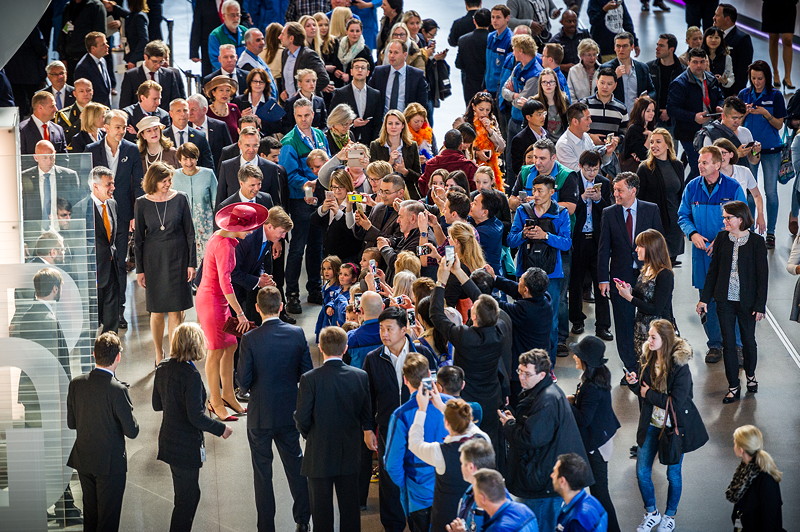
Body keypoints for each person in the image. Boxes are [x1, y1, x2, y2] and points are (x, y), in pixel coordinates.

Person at [235, 286, 312, 531]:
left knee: (262, 473)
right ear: (281, 307)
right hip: (289, 411)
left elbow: (243, 381)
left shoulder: (250, 339)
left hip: (260, 415)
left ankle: (266, 526)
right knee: (296, 466)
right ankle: (303, 520)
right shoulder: (297, 333)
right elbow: (307, 374)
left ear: (257, 308)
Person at [625, 320, 708, 532]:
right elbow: (642, 390)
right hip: (651, 423)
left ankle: (670, 516)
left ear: (665, 340)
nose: (649, 340)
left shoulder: (680, 366)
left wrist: (648, 394)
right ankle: (652, 513)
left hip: (674, 428)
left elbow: (677, 401)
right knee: (642, 471)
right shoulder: (648, 357)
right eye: (649, 336)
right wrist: (634, 384)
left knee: (673, 474)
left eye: (653, 337)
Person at [152, 323, 233, 532]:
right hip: (185, 446)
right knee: (187, 499)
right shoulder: (191, 375)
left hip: (168, 440)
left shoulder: (162, 367)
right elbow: (196, 417)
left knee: (185, 495)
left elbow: (156, 404)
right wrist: (221, 429)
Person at [362, 307, 436, 532]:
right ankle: (393, 525)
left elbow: (434, 389)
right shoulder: (373, 359)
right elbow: (368, 398)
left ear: (404, 330)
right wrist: (367, 429)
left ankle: (419, 522)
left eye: (389, 329)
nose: (384, 334)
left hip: (421, 427)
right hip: (389, 429)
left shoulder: (422, 353)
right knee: (389, 477)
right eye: (381, 329)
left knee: (418, 474)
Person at [499, 349, 588, 532]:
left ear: (542, 374)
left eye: (527, 373)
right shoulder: (543, 393)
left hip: (543, 482)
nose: (521, 377)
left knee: (538, 525)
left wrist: (509, 425)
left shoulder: (546, 401)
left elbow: (530, 438)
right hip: (544, 475)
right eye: (519, 371)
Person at [293, 325, 370, 532]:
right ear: (345, 348)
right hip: (349, 451)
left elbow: (302, 418)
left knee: (321, 513)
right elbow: (366, 414)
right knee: (350, 510)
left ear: (320, 347)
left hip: (319, 453)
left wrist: (311, 434)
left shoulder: (309, 378)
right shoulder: (360, 376)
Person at [196, 202, 268, 421]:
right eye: (249, 229)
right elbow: (225, 283)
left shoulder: (220, 236)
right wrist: (241, 313)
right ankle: (215, 401)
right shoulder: (225, 246)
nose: (252, 232)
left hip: (217, 300)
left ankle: (228, 395)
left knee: (230, 346)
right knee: (215, 351)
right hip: (213, 302)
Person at [678, 146, 746, 364]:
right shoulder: (692, 187)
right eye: (700, 162)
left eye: (705, 162)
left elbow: (743, 219)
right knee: (707, 300)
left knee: (731, 300)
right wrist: (693, 233)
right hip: (702, 255)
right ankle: (715, 344)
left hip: (728, 254)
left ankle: (736, 345)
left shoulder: (733, 188)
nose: (700, 165)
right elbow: (683, 215)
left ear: (717, 164)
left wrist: (722, 239)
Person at [66, 332, 138, 532]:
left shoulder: (76, 384)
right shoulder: (118, 390)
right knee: (108, 520)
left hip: (84, 460)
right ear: (118, 357)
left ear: (93, 354)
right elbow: (132, 431)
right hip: (110, 464)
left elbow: (71, 423)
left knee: (91, 516)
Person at [698, 201, 768, 403]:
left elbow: (762, 276)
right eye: (724, 218)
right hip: (725, 300)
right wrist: (704, 299)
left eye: (728, 218)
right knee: (728, 343)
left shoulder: (756, 242)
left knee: (748, 341)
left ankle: (751, 376)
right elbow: (713, 271)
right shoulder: (721, 238)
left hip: (747, 302)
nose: (725, 221)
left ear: (741, 219)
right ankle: (733, 386)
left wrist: (760, 305)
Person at [431, 257, 507, 443]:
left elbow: (436, 314)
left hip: (469, 398)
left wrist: (441, 281)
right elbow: (483, 300)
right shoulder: (500, 329)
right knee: (492, 441)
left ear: (474, 316)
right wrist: (458, 272)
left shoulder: (464, 336)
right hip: (492, 396)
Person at [597, 172, 664, 381]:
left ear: (633, 190)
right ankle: (631, 370)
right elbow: (603, 248)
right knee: (624, 324)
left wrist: (661, 274)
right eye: (614, 190)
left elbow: (659, 244)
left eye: (620, 190)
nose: (615, 194)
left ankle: (650, 366)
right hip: (621, 277)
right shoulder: (609, 213)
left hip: (647, 277)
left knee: (648, 323)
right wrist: (603, 279)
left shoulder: (651, 210)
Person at [134, 162, 196, 366]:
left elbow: (190, 233)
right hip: (154, 261)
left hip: (178, 258)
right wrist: (140, 270)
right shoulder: (141, 203)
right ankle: (158, 353)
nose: (168, 184)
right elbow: (138, 240)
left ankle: (173, 354)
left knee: (176, 310)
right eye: (164, 181)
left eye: (169, 180)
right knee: (157, 310)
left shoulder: (180, 199)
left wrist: (191, 263)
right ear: (153, 181)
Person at [508, 174, 572, 366]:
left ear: (551, 192)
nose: (535, 194)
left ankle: (548, 364)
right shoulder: (522, 211)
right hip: (525, 273)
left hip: (552, 274)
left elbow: (566, 243)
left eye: (540, 191)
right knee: (523, 317)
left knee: (550, 320)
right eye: (533, 190)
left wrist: (546, 236)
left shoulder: (561, 213)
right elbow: (511, 240)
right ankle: (526, 363)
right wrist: (523, 234)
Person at [384, 352, 451, 532]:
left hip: (419, 495)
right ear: (430, 374)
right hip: (452, 492)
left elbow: (392, 463)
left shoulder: (401, 415)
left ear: (405, 380)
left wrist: (406, 485)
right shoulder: (452, 405)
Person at [409, 387, 489, 532]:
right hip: (477, 515)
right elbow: (469, 426)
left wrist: (422, 409)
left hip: (447, 520)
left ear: (446, 423)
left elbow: (414, 443)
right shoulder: (483, 439)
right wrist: (442, 406)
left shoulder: (440, 452)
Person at [280, 98, 331, 313]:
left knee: (317, 246)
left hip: (320, 199)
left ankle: (315, 289)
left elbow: (328, 163)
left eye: (307, 115)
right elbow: (288, 175)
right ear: (294, 116)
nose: (304, 119)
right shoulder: (289, 142)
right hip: (300, 201)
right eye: (299, 116)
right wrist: (310, 184)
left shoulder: (320, 135)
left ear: (313, 114)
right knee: (298, 248)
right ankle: (292, 294)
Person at [567, 337, 620, 532]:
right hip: (601, 437)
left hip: (596, 445)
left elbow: (583, 419)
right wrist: (575, 399)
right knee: (598, 492)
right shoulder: (598, 375)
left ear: (586, 360)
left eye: (578, 355)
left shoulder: (591, 387)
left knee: (600, 494)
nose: (574, 356)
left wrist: (566, 404)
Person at [739, 60, 787, 249]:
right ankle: (749, 230)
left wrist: (765, 113)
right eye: (753, 78)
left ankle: (771, 232)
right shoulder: (744, 95)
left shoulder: (776, 96)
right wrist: (745, 113)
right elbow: (736, 123)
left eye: (760, 78)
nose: (757, 82)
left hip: (771, 150)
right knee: (750, 192)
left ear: (767, 78)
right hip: (749, 149)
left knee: (771, 192)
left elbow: (779, 124)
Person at [568, 150, 613, 339]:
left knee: (601, 281)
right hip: (577, 238)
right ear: (580, 166)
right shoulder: (572, 180)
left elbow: (609, 210)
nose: (591, 173)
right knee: (575, 282)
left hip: (597, 239)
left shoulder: (604, 183)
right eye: (588, 170)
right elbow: (569, 209)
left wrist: (598, 200)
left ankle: (602, 325)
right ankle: (576, 321)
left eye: (595, 170)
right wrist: (582, 198)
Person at [667, 48, 725, 179]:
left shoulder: (711, 79)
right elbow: (672, 109)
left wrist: (720, 107)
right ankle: (686, 190)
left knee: (708, 166)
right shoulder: (679, 83)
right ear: (688, 62)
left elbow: (720, 97)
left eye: (702, 62)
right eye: (695, 62)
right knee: (698, 167)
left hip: (711, 129)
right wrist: (693, 117)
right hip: (689, 132)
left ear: (706, 62)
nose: (699, 65)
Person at [616, 228, 675, 358]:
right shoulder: (645, 269)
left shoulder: (664, 274)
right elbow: (644, 297)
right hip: (641, 329)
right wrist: (630, 291)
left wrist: (630, 298)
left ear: (651, 248)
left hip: (658, 333)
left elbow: (656, 309)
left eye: (640, 246)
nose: (636, 249)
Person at [637, 128, 686, 263]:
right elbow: (639, 199)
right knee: (655, 264)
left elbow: (681, 195)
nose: (654, 145)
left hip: (674, 223)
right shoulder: (645, 168)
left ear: (668, 145)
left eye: (658, 142)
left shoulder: (678, 165)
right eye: (652, 142)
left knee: (670, 266)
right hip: (655, 224)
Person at [727, 424, 785, 530]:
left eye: (735, 443)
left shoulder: (765, 480)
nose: (733, 446)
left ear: (741, 450)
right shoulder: (744, 471)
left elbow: (770, 522)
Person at [171, 143, 217, 262]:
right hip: (182, 229)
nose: (189, 162)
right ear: (179, 160)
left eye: (192, 158)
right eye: (185, 159)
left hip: (206, 228)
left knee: (207, 262)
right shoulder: (173, 176)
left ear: (197, 158)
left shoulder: (208, 174)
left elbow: (216, 203)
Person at [714, 138, 767, 235]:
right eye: (717, 154)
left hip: (741, 221)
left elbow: (757, 195)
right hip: (720, 223)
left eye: (723, 153)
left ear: (731, 154)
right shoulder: (712, 176)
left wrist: (760, 215)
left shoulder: (744, 171)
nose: (721, 157)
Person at [369, 110, 423, 198]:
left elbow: (419, 177)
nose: (393, 127)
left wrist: (404, 171)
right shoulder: (375, 145)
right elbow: (373, 174)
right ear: (385, 125)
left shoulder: (412, 145)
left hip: (408, 193)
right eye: (390, 123)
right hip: (383, 193)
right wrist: (389, 163)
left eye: (397, 123)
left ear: (403, 126)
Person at [330, 57, 383, 145]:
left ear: (368, 72)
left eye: (363, 68)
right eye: (356, 67)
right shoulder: (340, 93)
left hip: (369, 142)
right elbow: (333, 119)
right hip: (345, 141)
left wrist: (374, 143)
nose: (359, 70)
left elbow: (378, 121)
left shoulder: (375, 94)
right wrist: (352, 123)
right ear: (351, 72)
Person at [119, 41, 185, 110]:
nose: (158, 65)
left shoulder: (169, 74)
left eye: (161, 62)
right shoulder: (131, 76)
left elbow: (176, 101)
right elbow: (125, 105)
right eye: (155, 61)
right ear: (145, 57)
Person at [551, 454, 609, 532]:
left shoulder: (576, 521)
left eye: (554, 473)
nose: (551, 475)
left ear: (562, 481)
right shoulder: (592, 501)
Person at [601, 32, 655, 113]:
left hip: (637, 115)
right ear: (614, 47)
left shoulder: (642, 68)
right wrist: (614, 77)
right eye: (618, 46)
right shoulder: (606, 68)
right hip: (615, 114)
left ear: (632, 47)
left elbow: (652, 90)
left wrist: (647, 97)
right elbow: (599, 93)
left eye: (625, 46)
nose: (621, 49)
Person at [278, 21, 331, 101]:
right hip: (290, 103)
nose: (279, 37)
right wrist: (284, 91)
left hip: (306, 104)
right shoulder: (285, 53)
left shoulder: (309, 55)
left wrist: (303, 93)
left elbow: (324, 79)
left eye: (282, 34)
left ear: (291, 38)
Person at [419, 129, 478, 195]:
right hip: (459, 200)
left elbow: (422, 183)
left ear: (444, 144)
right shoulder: (469, 166)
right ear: (461, 146)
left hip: (434, 199)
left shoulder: (431, 163)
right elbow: (474, 189)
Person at [466, 92, 506, 188]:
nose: (484, 113)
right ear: (473, 107)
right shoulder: (465, 122)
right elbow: (460, 149)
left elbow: (502, 147)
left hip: (491, 167)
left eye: (487, 110)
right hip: (472, 168)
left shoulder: (493, 121)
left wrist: (490, 130)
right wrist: (477, 154)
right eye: (481, 109)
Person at [713, 3, 754, 96]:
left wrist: (737, 93)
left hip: (729, 91)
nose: (714, 18)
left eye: (717, 15)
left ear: (727, 19)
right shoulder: (711, 34)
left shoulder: (743, 39)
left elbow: (743, 70)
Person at [648, 33, 685, 130]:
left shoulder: (682, 71)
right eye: (657, 45)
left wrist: (670, 111)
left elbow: (685, 96)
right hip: (652, 118)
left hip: (673, 120)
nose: (657, 48)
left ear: (671, 49)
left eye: (661, 46)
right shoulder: (649, 68)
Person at [582, 68, 628, 143]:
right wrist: (589, 137)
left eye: (609, 84)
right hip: (586, 148)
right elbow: (575, 128)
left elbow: (625, 132)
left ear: (615, 85)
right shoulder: (584, 104)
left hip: (611, 148)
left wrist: (618, 139)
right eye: (602, 83)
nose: (605, 87)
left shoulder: (621, 108)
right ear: (597, 82)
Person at [455, 8, 491, 106]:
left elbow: (458, 64)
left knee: (471, 110)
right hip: (489, 84)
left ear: (474, 21)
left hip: (470, 84)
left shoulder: (463, 40)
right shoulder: (493, 40)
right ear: (491, 21)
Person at [20, 91, 66, 155]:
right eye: (52, 106)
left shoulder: (58, 129)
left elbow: (64, 157)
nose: (56, 109)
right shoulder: (22, 130)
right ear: (40, 108)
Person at [282, 69, 328, 133]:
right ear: (299, 83)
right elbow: (286, 126)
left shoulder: (320, 101)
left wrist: (319, 132)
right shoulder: (290, 102)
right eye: (307, 81)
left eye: (314, 80)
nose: (312, 84)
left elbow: (324, 125)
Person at [763, 0, 796, 90]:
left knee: (788, 39)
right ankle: (775, 72)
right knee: (773, 38)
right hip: (771, 5)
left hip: (788, 5)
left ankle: (787, 77)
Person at [73, 32, 112, 107]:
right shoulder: (83, 68)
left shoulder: (102, 60)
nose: (107, 46)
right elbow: (83, 96)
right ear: (93, 48)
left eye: (106, 43)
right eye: (103, 44)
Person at [207, 0, 247, 70]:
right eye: (232, 15)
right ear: (223, 16)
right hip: (224, 74)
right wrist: (233, 72)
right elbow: (215, 61)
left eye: (238, 15)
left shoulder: (246, 32)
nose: (236, 18)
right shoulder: (215, 35)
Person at [205, 75, 243, 142]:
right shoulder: (206, 111)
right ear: (213, 93)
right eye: (221, 90)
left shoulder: (234, 108)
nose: (225, 93)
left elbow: (241, 130)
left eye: (228, 90)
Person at [622, 96, 656, 170]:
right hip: (632, 168)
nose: (652, 113)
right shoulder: (634, 129)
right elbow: (643, 155)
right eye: (648, 111)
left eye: (653, 110)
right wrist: (650, 136)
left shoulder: (651, 128)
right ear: (640, 111)